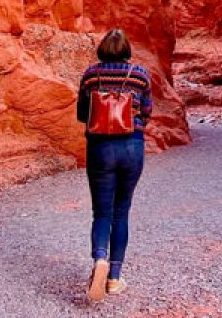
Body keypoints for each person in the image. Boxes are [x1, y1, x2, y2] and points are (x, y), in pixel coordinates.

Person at [76, 29, 152, 301]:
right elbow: (147, 111)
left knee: (101, 212)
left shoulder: (90, 75)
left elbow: (81, 114)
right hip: (131, 145)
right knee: (122, 211)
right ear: (126, 49)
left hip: (100, 148)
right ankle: (114, 279)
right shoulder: (140, 75)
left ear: (103, 48)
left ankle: (99, 260)